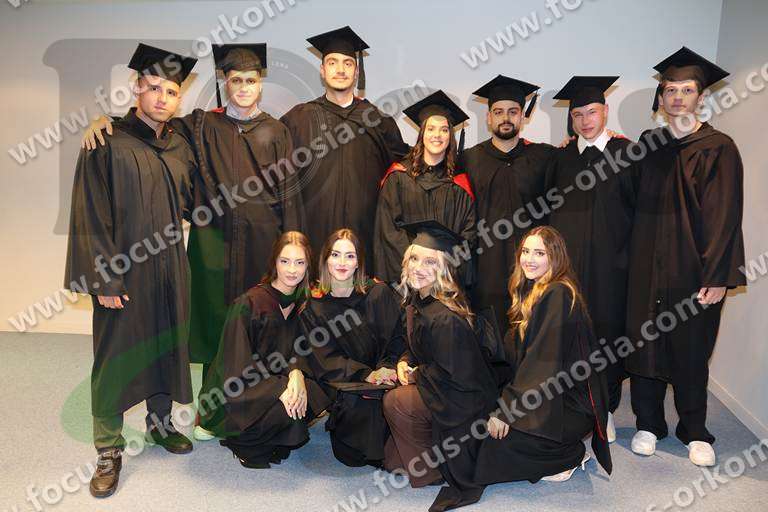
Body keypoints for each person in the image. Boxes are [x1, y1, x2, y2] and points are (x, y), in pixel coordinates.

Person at [81, 43, 301, 442]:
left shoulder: (274, 132)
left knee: (251, 330)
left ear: (260, 84)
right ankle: (201, 417)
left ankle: (252, 411)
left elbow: (290, 196)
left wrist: (292, 254)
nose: (243, 87)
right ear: (225, 82)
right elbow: (141, 130)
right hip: (203, 251)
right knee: (207, 331)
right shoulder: (196, 127)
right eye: (236, 80)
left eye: (251, 80)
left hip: (251, 249)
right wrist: (102, 119)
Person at [64, 43, 198, 498]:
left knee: (165, 344)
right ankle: (108, 448)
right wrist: (103, 277)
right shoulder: (106, 142)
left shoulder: (180, 146)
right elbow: (90, 211)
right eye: (154, 87)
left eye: (171, 91)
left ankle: (160, 424)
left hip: (169, 266)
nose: (162, 97)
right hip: (122, 270)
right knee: (115, 358)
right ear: (137, 87)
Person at [626, 47, 746, 467]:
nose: (678, 97)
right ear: (661, 97)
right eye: (671, 90)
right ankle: (648, 424)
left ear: (701, 96)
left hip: (693, 270)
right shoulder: (649, 144)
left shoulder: (719, 147)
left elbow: (726, 216)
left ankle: (694, 430)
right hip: (645, 265)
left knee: (691, 350)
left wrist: (718, 274)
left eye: (687, 90)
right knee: (645, 344)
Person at [473, 226, 612, 491]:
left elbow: (541, 363)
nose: (529, 259)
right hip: (546, 392)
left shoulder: (558, 293)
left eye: (539, 253)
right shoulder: (532, 289)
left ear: (555, 257)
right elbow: (520, 358)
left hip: (568, 404)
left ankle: (570, 455)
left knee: (493, 447)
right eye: (526, 251)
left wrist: (507, 410)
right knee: (481, 423)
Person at [382, 221, 500, 512]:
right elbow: (420, 348)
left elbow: (456, 377)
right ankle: (428, 457)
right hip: (443, 390)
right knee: (392, 461)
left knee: (396, 401)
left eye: (430, 261)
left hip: (465, 404)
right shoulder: (421, 301)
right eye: (414, 258)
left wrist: (417, 374)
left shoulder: (444, 317)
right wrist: (405, 361)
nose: (419, 267)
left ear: (444, 268)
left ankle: (435, 468)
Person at [545, 75, 638, 439]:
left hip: (612, 270)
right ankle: (572, 406)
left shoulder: (628, 154)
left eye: (592, 112)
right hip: (567, 271)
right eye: (578, 114)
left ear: (605, 112)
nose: (585, 120)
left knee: (608, 339)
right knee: (566, 337)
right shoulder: (560, 158)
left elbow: (640, 213)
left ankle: (606, 409)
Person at [197, 231, 331, 468]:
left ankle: (277, 422)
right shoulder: (249, 303)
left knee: (315, 392)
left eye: (300, 262)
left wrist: (297, 374)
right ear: (274, 262)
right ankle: (242, 437)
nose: (292, 270)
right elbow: (235, 368)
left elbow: (301, 349)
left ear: (308, 266)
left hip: (276, 379)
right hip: (238, 391)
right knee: (291, 410)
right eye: (285, 261)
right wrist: (280, 389)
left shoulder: (303, 302)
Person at [280, 26, 409, 260]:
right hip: (312, 235)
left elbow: (405, 170)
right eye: (332, 63)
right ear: (322, 70)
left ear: (356, 72)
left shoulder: (377, 121)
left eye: (347, 64)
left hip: (365, 237)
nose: (340, 70)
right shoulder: (298, 119)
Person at [299, 228, 405, 468]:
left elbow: (396, 338)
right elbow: (324, 358)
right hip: (345, 383)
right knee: (351, 456)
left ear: (359, 262)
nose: (342, 263)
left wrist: (386, 368)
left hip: (384, 381)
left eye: (350, 256)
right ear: (325, 260)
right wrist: (365, 374)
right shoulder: (314, 305)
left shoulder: (377, 293)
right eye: (335, 255)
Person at [464, 75, 553, 331]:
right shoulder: (469, 159)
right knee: (489, 339)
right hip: (485, 271)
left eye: (513, 112)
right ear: (488, 118)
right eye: (498, 112)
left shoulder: (544, 157)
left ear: (522, 117)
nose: (506, 118)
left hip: (531, 272)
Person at [374, 90, 476, 287]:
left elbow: (467, 236)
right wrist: (415, 268)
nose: (437, 135)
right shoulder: (398, 177)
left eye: (444, 130)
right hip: (404, 281)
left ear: (450, 136)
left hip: (445, 282)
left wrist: (439, 270)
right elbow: (388, 230)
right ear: (422, 134)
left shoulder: (459, 185)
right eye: (431, 129)